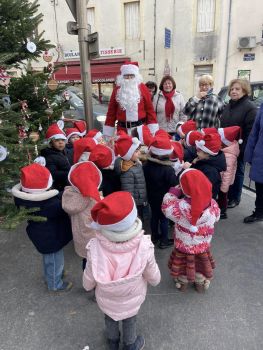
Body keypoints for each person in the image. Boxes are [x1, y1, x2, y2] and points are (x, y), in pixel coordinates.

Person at [83, 191, 161, 350]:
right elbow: (154, 277)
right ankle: (130, 344)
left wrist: (87, 285)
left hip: (107, 298)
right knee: (130, 319)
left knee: (110, 318)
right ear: (133, 218)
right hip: (132, 298)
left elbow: (88, 279)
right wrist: (155, 279)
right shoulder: (144, 246)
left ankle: (113, 342)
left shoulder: (95, 246)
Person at [12, 163, 72, 291]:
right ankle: (55, 284)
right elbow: (62, 207)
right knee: (54, 260)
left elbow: (53, 198)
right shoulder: (50, 205)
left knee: (49, 260)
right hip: (52, 237)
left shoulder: (24, 200)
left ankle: (53, 275)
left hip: (41, 235)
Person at [162, 169, 220, 292]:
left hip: (184, 245)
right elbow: (218, 216)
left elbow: (166, 208)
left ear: (185, 190)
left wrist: (172, 193)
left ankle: (183, 283)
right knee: (200, 265)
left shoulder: (179, 207)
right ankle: (199, 283)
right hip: (202, 245)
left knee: (183, 265)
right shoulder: (213, 205)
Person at [220, 79, 257, 208]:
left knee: (238, 172)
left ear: (245, 91)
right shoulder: (229, 105)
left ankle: (235, 198)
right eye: (232, 89)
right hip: (227, 146)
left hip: (239, 147)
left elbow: (250, 132)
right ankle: (225, 195)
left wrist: (242, 150)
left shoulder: (250, 107)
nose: (234, 91)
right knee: (227, 172)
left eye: (237, 89)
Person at [62, 161, 102, 271]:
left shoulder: (70, 194)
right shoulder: (92, 198)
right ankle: (95, 284)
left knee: (86, 261)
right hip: (94, 237)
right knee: (96, 262)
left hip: (80, 236)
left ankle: (87, 282)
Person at [103, 62, 159, 138]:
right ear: (122, 77)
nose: (129, 78)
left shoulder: (143, 88)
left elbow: (150, 111)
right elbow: (111, 112)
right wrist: (108, 134)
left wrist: (153, 130)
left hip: (140, 131)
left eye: (131, 76)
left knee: (140, 149)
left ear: (136, 76)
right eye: (126, 76)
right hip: (122, 131)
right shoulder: (117, 90)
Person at [143, 135, 178, 248]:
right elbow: (174, 183)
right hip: (164, 197)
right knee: (164, 219)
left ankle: (154, 237)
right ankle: (164, 240)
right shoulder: (168, 169)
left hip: (151, 196)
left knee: (154, 217)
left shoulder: (146, 166)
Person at [114, 134, 147, 220]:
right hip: (135, 202)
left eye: (138, 150)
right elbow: (128, 191)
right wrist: (132, 205)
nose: (139, 153)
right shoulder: (127, 171)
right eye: (136, 151)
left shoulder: (136, 163)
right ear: (129, 154)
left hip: (140, 200)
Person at [184, 133, 227, 199]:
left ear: (207, 154)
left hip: (203, 202)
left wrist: (189, 169)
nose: (196, 152)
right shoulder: (203, 161)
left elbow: (201, 189)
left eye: (198, 150)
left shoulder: (211, 171)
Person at [243, 103, 263, 223]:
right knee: (260, 186)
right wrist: (249, 154)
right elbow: (254, 132)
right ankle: (259, 212)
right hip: (261, 155)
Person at [217, 126, 241, 219]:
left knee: (223, 196)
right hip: (222, 179)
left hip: (224, 182)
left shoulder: (229, 156)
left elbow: (227, 173)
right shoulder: (227, 150)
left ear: (225, 142)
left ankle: (223, 212)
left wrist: (224, 187)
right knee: (221, 196)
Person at [40, 123, 72, 191]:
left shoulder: (66, 152)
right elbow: (53, 173)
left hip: (68, 183)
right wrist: (70, 173)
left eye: (62, 140)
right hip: (59, 186)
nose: (60, 142)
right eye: (57, 140)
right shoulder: (49, 156)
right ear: (51, 143)